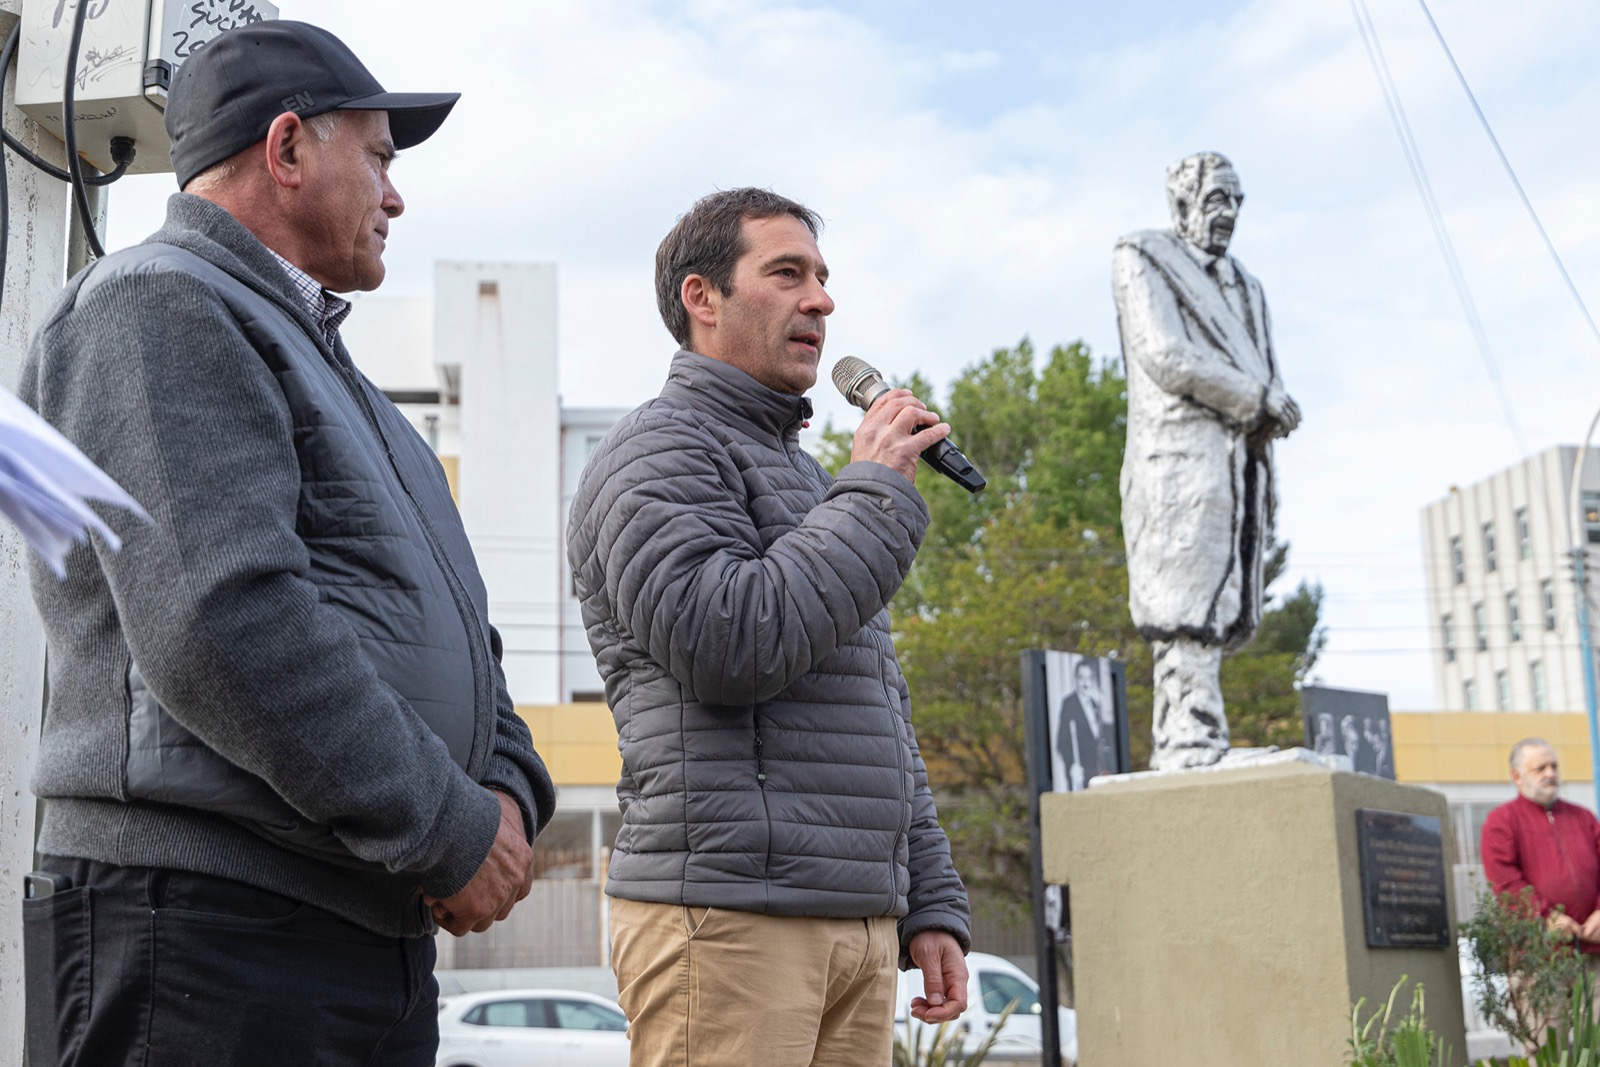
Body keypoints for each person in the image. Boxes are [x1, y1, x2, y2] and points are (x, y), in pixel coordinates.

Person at [20, 21, 555, 1067]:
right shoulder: (153, 302)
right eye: (381, 158)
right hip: (207, 925)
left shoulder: (351, 388)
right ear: (288, 148)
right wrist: (449, 827)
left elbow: (465, 639)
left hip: (351, 922)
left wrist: (506, 791)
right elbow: (219, 620)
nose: (395, 197)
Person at [566, 187, 972, 1066]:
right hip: (731, 918)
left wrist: (930, 899)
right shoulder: (657, 450)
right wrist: (874, 496)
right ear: (702, 298)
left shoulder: (820, 482)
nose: (821, 300)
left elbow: (879, 708)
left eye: (822, 278)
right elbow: (729, 645)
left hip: (857, 923)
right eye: (787, 273)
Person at [1112, 150, 1301, 772]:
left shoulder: (1249, 285)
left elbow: (1265, 366)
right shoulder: (1142, 256)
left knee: (1225, 602)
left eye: (1236, 201)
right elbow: (1165, 354)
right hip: (1181, 461)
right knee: (1183, 604)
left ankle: (1204, 732)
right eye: (1217, 198)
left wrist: (1272, 403)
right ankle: (1185, 737)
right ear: (1182, 202)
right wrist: (1257, 398)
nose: (1229, 213)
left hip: (1242, 464)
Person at [1482, 740, 1600, 953]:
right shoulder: (1502, 822)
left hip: (1595, 947)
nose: (1550, 773)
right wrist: (1546, 917)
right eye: (1540, 768)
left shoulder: (1584, 817)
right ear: (1517, 776)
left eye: (1554, 766)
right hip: (1542, 954)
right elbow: (1505, 882)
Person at [1057, 657, 1116, 790]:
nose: (1085, 683)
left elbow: (1105, 737)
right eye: (1081, 678)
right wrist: (1072, 764)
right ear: (1076, 679)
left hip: (1098, 772)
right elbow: (1062, 741)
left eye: (1088, 678)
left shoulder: (1095, 703)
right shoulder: (1069, 703)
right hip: (1081, 773)